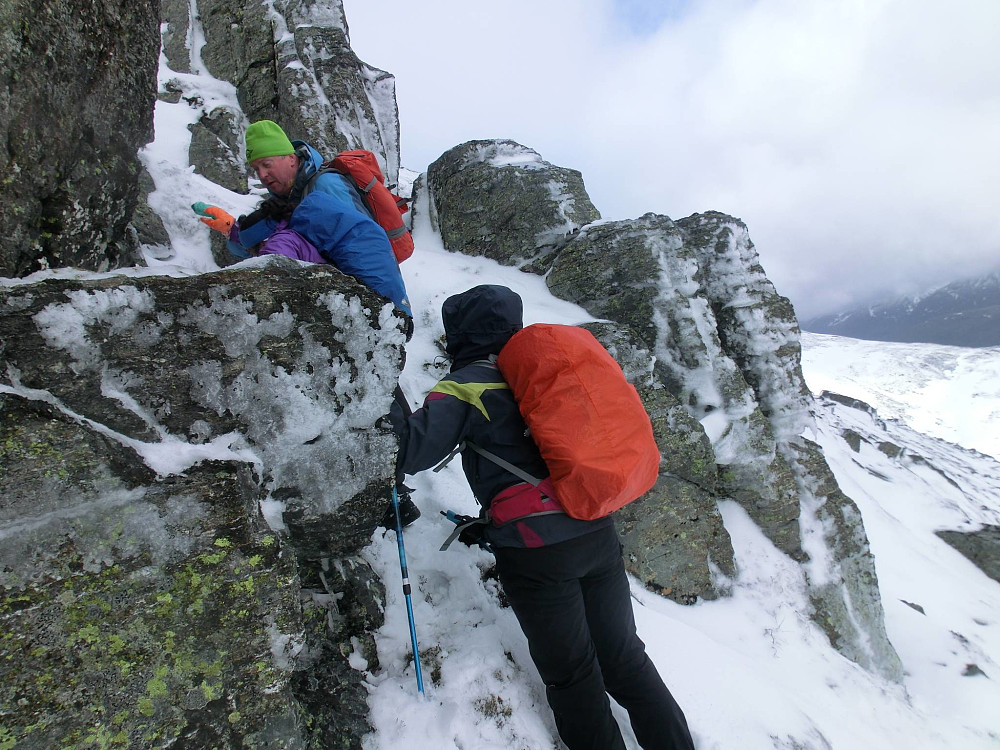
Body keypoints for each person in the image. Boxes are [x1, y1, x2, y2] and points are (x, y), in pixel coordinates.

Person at [390, 284, 695, 750]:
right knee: (626, 658)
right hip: (596, 528)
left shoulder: (468, 384)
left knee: (573, 676)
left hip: (536, 551)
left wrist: (380, 384)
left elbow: (408, 450)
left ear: (459, 336)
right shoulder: (548, 370)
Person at [196, 120, 411, 316]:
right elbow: (270, 251)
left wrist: (369, 307)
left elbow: (362, 241)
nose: (262, 175)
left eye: (267, 164)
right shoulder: (285, 201)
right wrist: (232, 229)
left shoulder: (326, 186)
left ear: (290, 158)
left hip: (361, 303)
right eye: (256, 168)